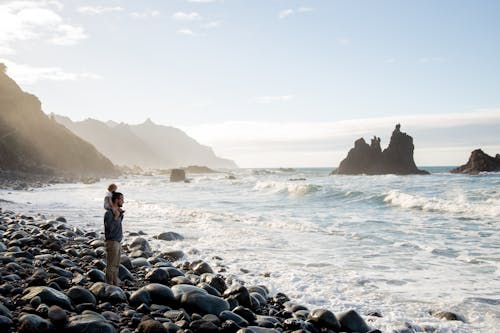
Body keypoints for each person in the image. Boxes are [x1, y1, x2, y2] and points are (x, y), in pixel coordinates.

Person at [104, 191, 124, 286]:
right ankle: (109, 285)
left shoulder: (118, 213)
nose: (123, 201)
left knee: (116, 265)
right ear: (116, 200)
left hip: (118, 242)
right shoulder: (108, 214)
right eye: (122, 199)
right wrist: (116, 218)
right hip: (112, 242)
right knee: (111, 265)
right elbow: (110, 229)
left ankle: (115, 284)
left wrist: (120, 215)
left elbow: (118, 226)